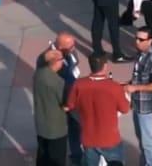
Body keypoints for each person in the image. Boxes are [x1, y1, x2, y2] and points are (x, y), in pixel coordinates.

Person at [65, 53, 130, 166]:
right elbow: (125, 109)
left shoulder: (79, 85)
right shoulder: (114, 87)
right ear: (105, 66)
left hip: (89, 138)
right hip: (110, 139)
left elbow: (70, 105)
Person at [38, 33, 82, 165]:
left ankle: (76, 156)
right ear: (60, 47)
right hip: (58, 101)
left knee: (75, 127)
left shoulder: (70, 53)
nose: (73, 49)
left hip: (71, 98)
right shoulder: (46, 58)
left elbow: (75, 64)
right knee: (56, 135)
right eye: (70, 47)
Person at [125, 27, 152, 166]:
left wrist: (135, 88)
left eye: (141, 39)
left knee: (149, 142)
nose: (137, 41)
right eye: (136, 38)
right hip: (137, 103)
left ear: (150, 41)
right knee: (142, 139)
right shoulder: (140, 54)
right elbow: (139, 77)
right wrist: (128, 84)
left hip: (146, 106)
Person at [34, 49, 68, 166]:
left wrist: (45, 56)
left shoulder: (39, 74)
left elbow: (39, 62)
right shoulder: (58, 82)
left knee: (42, 154)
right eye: (62, 59)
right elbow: (65, 104)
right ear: (56, 62)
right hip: (56, 128)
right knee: (57, 157)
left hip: (41, 124)